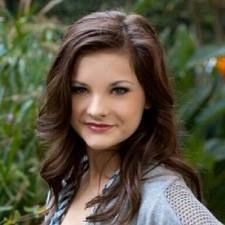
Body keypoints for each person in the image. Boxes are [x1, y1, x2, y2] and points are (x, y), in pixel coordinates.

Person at [37, 10, 223, 225]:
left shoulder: (163, 199)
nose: (96, 109)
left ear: (149, 96)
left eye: (118, 90)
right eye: (80, 89)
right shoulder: (69, 179)